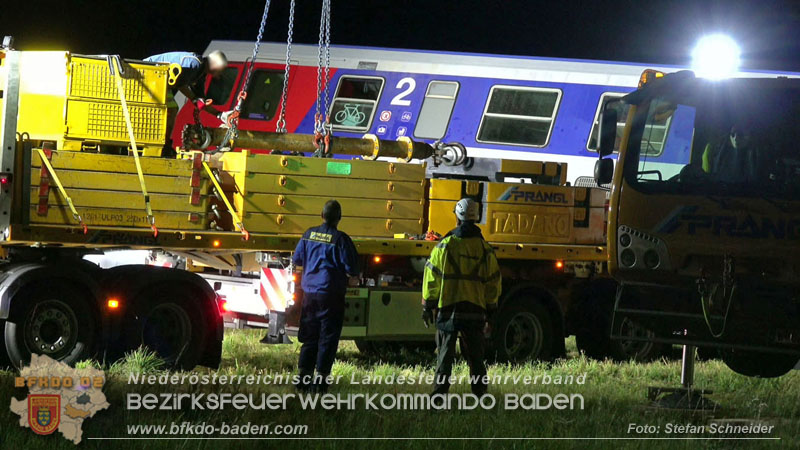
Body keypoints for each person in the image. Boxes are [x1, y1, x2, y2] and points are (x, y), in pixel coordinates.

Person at [422, 198, 501, 396]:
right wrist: (491, 311)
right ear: (476, 218)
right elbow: (493, 282)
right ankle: (480, 394)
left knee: (444, 356)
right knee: (476, 357)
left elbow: (432, 277)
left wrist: (427, 305)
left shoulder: (445, 246)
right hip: (475, 311)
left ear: (457, 217)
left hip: (449, 309)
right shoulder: (485, 250)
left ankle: (439, 396)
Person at [292, 200, 359, 392]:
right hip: (330, 295)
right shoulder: (340, 239)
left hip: (309, 294)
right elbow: (352, 268)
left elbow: (297, 259)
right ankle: (320, 384)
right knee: (327, 339)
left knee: (309, 337)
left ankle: (303, 380)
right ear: (339, 218)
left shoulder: (308, 235)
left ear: (321, 215)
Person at [144, 50, 230, 151]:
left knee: (172, 108)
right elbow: (181, 85)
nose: (219, 75)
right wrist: (195, 100)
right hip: (149, 73)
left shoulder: (200, 72)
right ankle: (162, 144)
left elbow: (198, 97)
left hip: (159, 80)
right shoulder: (194, 64)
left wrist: (218, 114)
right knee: (167, 110)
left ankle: (164, 143)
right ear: (214, 64)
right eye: (220, 70)